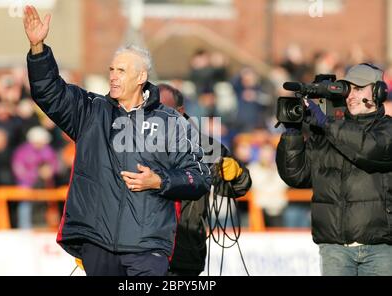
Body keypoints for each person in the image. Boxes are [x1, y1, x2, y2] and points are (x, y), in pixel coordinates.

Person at [23, 6, 211, 276]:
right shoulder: (91, 110)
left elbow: (200, 177)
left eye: (121, 70)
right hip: (97, 243)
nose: (113, 75)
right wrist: (38, 48)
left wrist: (160, 181)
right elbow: (49, 92)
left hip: (147, 248)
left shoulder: (172, 123)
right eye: (112, 69)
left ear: (141, 77)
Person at [276, 63, 392, 276]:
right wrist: (292, 133)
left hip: (380, 247)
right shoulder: (328, 129)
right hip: (334, 247)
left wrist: (327, 124)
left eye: (358, 89)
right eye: (347, 89)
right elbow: (297, 176)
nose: (351, 96)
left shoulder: (387, 129)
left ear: (377, 91)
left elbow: (370, 149)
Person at [157, 83, 252, 276]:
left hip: (184, 251)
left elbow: (239, 186)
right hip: (138, 252)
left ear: (180, 111)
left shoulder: (206, 146)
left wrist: (236, 175)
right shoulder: (130, 143)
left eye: (163, 109)